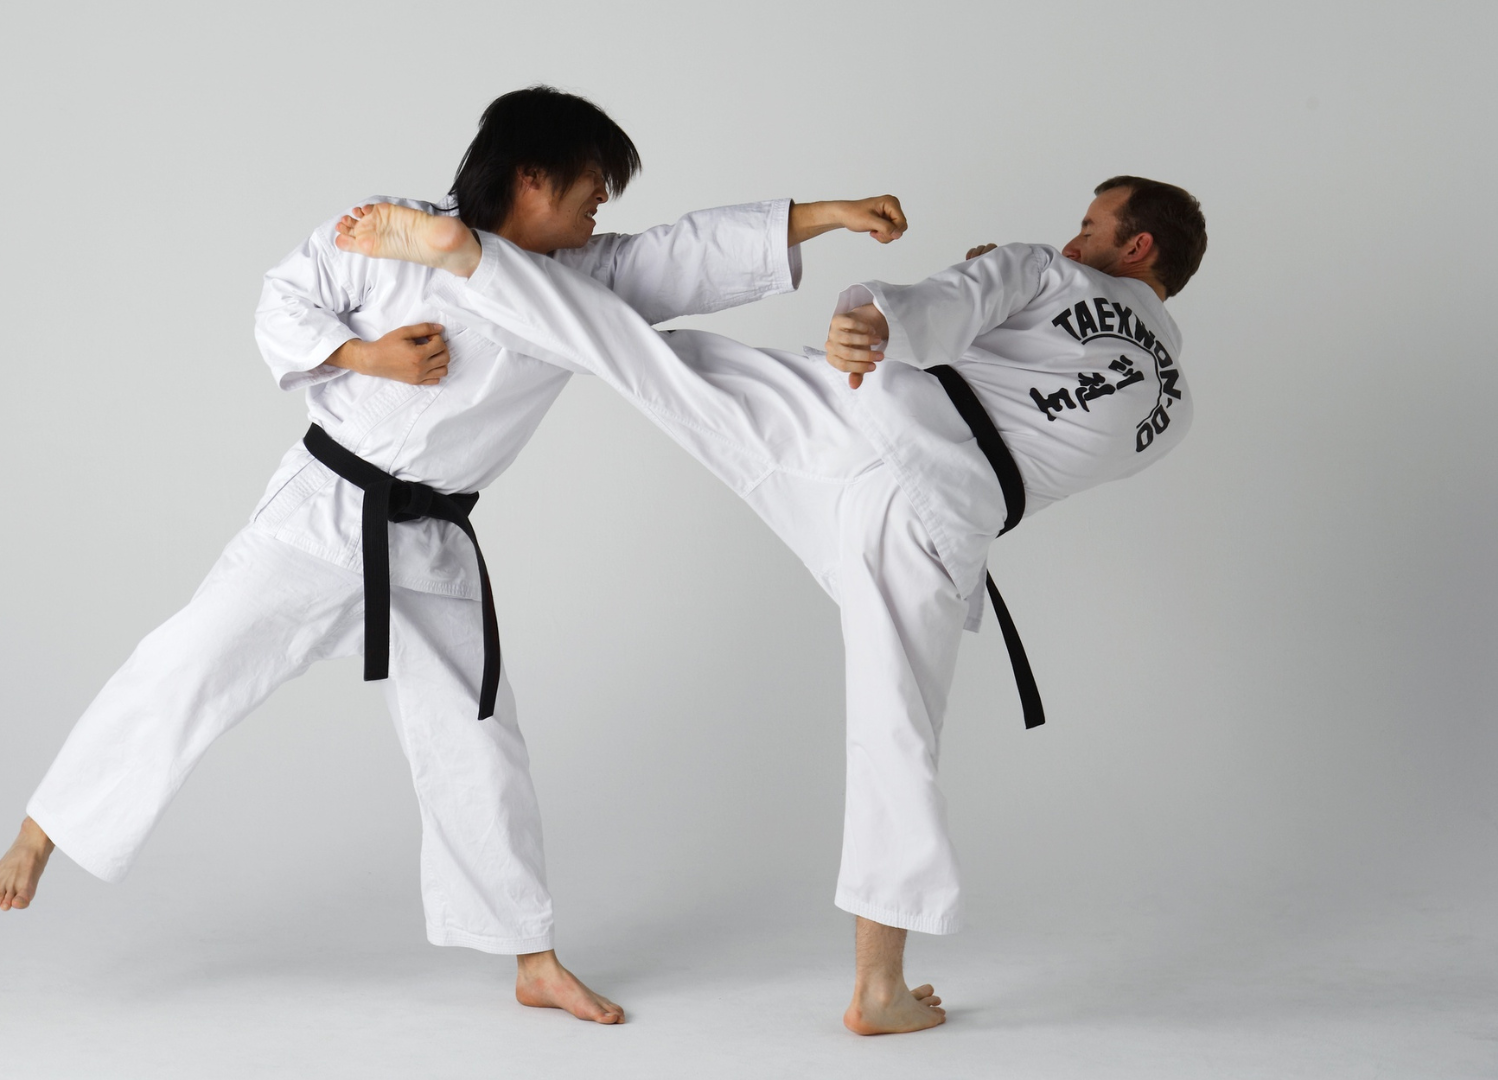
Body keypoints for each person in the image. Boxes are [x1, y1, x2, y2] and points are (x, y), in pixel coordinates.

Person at [0, 84, 909, 1025]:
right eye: (592, 188)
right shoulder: (396, 232)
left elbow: (691, 253)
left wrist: (827, 215)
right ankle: (42, 831)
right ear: (533, 176)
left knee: (478, 745)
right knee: (189, 663)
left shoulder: (580, 281)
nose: (600, 211)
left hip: (434, 543)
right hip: (323, 512)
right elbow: (283, 298)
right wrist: (364, 357)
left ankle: (532, 960)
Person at [330, 175, 1207, 1033]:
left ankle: (471, 260)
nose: (1072, 240)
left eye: (1091, 228)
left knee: (647, 355)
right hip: (939, 519)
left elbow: (954, 299)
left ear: (1137, 246)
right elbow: (1051, 413)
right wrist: (987, 333)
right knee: (897, 738)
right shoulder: (1173, 415)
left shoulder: (1043, 271)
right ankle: (879, 990)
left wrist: (881, 321)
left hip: (862, 413)